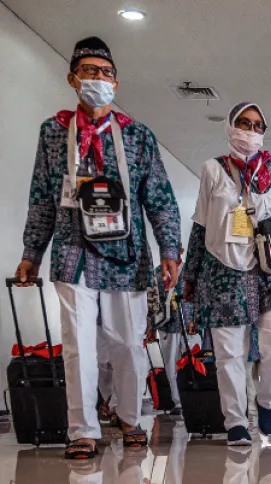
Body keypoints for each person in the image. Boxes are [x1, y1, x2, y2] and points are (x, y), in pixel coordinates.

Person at [15, 36, 181, 459]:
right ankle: (82, 429)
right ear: (73, 78)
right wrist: (32, 253)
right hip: (73, 255)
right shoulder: (54, 133)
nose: (98, 79)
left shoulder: (137, 136)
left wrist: (170, 252)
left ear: (117, 84)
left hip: (126, 258)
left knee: (127, 344)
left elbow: (160, 198)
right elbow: (42, 196)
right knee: (78, 347)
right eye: (89, 71)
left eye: (106, 73)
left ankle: (129, 418)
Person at [182, 101, 271, 446]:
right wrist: (190, 276)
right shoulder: (212, 169)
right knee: (229, 353)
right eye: (244, 123)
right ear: (231, 127)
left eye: (258, 125)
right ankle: (236, 422)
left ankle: (267, 399)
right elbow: (200, 226)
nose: (251, 130)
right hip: (223, 270)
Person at [147, 248, 189, 416]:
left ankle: (193, 396)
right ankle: (177, 401)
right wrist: (151, 326)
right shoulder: (157, 273)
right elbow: (151, 301)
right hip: (167, 324)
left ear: (181, 250)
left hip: (189, 324)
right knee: (171, 363)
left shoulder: (188, 270)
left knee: (192, 363)